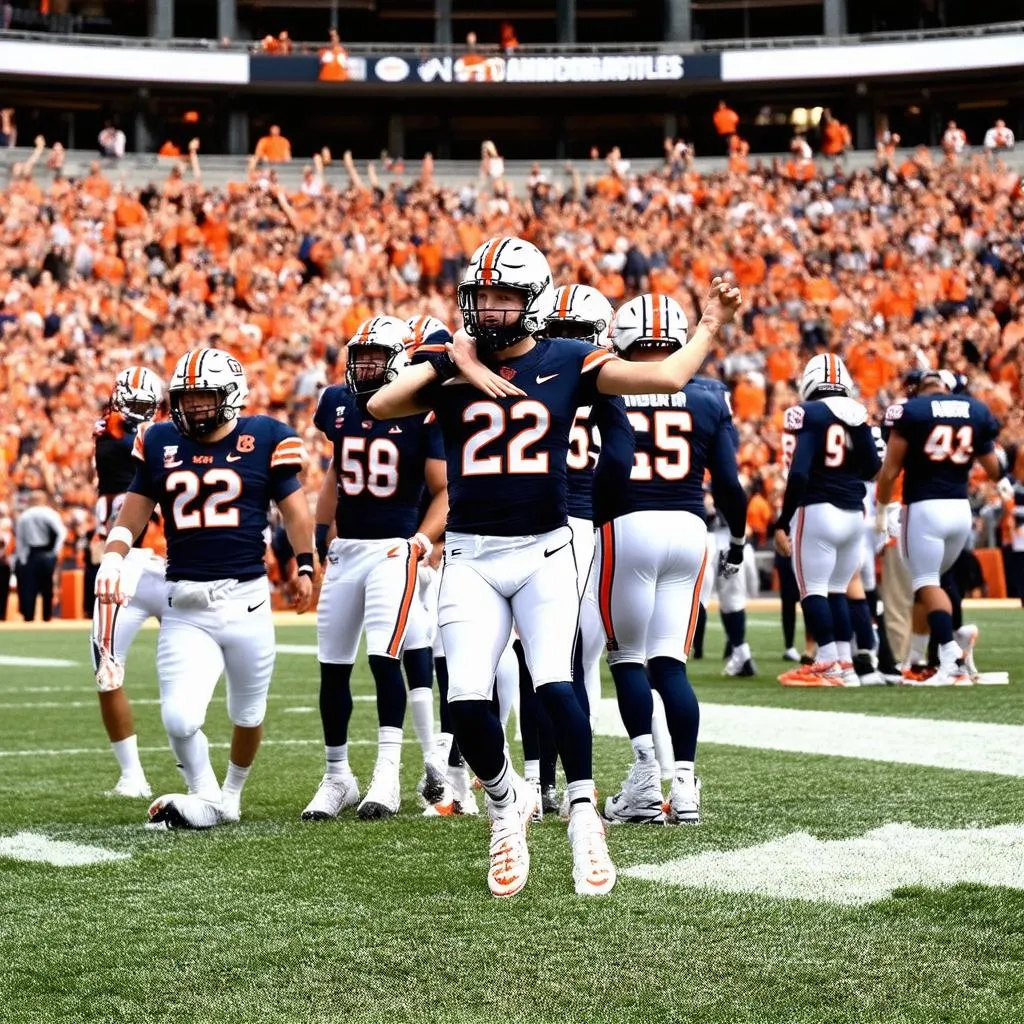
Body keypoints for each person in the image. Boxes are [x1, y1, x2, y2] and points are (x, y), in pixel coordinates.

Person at [368, 235, 740, 898]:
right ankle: (506, 805)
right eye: (482, 296)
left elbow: (664, 377)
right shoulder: (450, 362)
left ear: (534, 301)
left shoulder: (568, 359)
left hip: (543, 548)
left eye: (505, 297)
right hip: (472, 555)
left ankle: (583, 817)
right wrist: (450, 360)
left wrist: (710, 323)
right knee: (468, 701)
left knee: (555, 683)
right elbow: (381, 405)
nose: (490, 309)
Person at [96, 348, 315, 829]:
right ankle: (207, 793)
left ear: (231, 396)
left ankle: (231, 795)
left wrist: (304, 565)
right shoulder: (157, 441)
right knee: (178, 719)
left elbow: (296, 512)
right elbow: (134, 509)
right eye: (186, 399)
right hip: (185, 602)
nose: (193, 408)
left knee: (248, 712)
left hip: (247, 600)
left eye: (203, 398)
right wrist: (113, 554)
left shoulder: (266, 437)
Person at [598, 294, 747, 825]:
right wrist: (740, 540)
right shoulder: (708, 395)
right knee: (670, 663)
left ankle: (643, 781)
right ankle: (683, 785)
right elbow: (729, 484)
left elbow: (606, 466)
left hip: (628, 523)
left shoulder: (609, 383)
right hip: (691, 528)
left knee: (626, 659)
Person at [304, 316, 449, 822]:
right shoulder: (335, 404)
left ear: (398, 361)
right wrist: (323, 531)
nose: (363, 366)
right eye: (358, 356)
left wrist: (421, 540)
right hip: (349, 551)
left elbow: (446, 490)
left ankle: (387, 771)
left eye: (374, 357)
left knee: (384, 658)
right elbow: (337, 472)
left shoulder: (420, 409)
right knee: (332, 665)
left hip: (393, 549)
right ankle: (336, 774)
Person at [877, 369, 1005, 686]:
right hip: (960, 510)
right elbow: (993, 469)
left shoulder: (911, 411)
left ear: (921, 389)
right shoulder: (974, 409)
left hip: (924, 507)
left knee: (925, 582)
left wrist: (882, 507)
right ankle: (949, 645)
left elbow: (890, 470)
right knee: (937, 582)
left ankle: (950, 657)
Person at [774, 354, 881, 687]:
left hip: (818, 509)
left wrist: (783, 520)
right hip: (853, 513)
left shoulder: (808, 412)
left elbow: (800, 471)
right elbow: (871, 468)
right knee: (836, 590)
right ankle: (844, 664)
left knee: (813, 589)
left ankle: (825, 663)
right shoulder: (858, 413)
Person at [90, 366, 167, 798]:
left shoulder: (163, 436)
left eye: (146, 408)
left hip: (170, 560)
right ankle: (132, 775)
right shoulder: (112, 435)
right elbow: (127, 445)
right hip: (124, 561)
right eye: (132, 406)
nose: (138, 415)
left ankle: (196, 770)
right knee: (106, 667)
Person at [14, 491, 65, 622]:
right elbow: (61, 533)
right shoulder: (50, 513)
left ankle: (28, 617)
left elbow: (20, 540)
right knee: (47, 586)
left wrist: (22, 558)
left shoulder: (24, 516)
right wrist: (55, 551)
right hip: (47, 553)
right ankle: (47, 617)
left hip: (31, 553)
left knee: (29, 587)